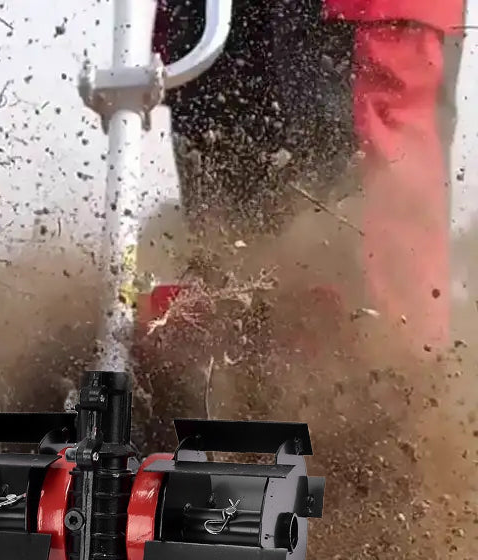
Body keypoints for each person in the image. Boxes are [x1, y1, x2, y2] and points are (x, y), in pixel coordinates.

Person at [152, 0, 466, 352]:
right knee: (231, 254)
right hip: (217, 19)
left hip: (354, 14)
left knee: (355, 234)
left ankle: (393, 369)